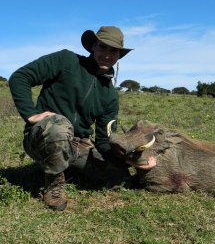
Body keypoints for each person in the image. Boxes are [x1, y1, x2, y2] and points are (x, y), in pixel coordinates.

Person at [9, 26, 156, 211]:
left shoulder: (110, 95)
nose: (107, 55)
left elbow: (103, 140)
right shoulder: (66, 60)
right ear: (93, 46)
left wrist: (132, 160)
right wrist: (30, 114)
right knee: (59, 124)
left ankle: (69, 169)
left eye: (114, 51)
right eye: (103, 47)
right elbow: (21, 77)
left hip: (77, 144)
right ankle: (54, 185)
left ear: (119, 55)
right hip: (42, 137)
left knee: (119, 176)